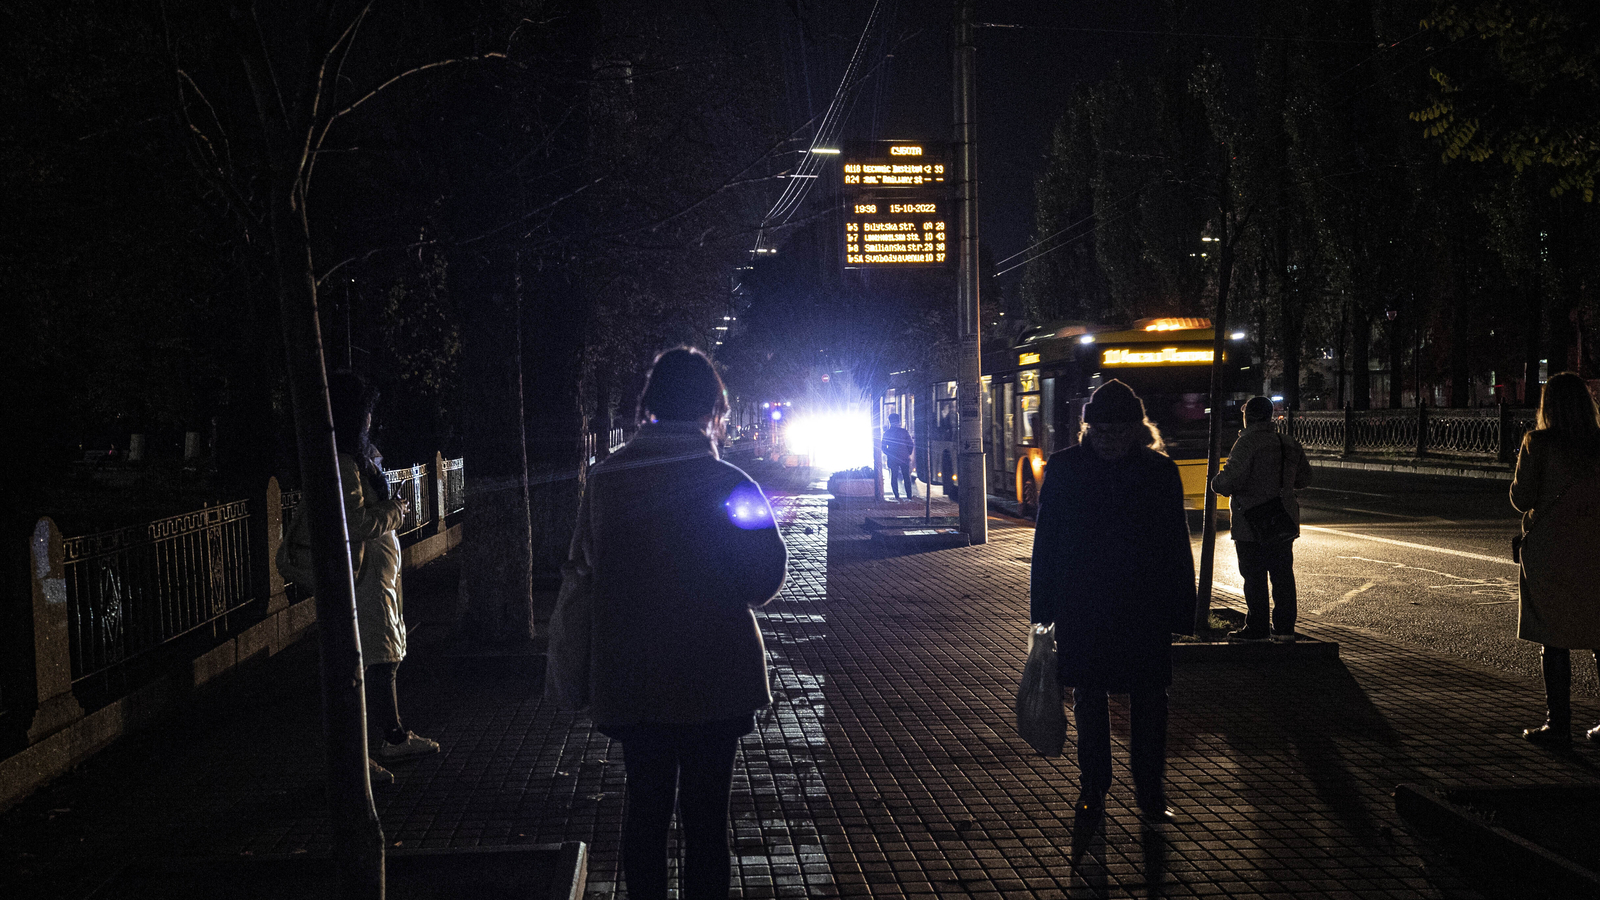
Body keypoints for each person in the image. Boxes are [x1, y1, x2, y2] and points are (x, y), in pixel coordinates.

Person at [577, 347, 788, 900]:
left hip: (632, 681)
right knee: (706, 824)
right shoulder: (730, 483)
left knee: (644, 812)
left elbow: (582, 568)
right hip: (713, 683)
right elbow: (764, 577)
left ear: (650, 405)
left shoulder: (604, 480)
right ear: (712, 408)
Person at [1029, 379, 1196, 828]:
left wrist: (1184, 607)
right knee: (1089, 699)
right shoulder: (1064, 469)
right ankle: (1093, 788)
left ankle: (1150, 788)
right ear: (1087, 429)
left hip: (1144, 606)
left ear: (1136, 430)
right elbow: (1047, 544)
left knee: (1149, 701)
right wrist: (1042, 609)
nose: (1108, 440)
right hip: (1085, 604)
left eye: (1118, 431)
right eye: (1100, 431)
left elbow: (1175, 544)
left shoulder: (1160, 471)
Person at [327, 372, 440, 785]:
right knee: (378, 658)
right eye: (368, 411)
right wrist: (394, 511)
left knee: (383, 656)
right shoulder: (343, 462)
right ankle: (379, 743)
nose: (372, 419)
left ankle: (381, 740)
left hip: (377, 572)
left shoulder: (357, 456)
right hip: (366, 573)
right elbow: (355, 522)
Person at [1510, 371, 1600, 747]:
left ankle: (1558, 725)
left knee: (1554, 637)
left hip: (1552, 553)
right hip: (1596, 550)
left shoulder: (1538, 443)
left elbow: (1522, 497)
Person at [1212, 396, 1313, 643]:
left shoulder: (1246, 443)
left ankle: (1257, 628)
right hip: (1284, 518)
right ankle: (1285, 629)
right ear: (1269, 416)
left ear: (1248, 416)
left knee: (1254, 575)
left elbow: (1228, 481)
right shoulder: (1288, 442)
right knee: (1282, 575)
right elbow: (1304, 478)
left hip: (1252, 521)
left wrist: (1216, 482)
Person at [883, 412, 916, 500]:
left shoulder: (887, 433)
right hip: (904, 458)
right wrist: (908, 453)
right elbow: (910, 444)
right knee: (906, 477)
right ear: (898, 421)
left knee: (894, 477)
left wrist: (889, 453)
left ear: (890, 422)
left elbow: (883, 447)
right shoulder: (904, 432)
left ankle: (896, 496)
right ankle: (909, 495)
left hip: (892, 458)